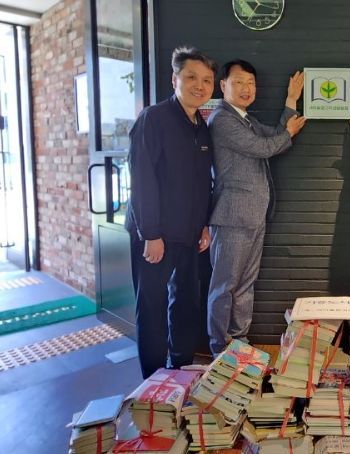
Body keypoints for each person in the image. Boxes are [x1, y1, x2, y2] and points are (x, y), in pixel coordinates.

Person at [125, 46, 217, 378]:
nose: (200, 85)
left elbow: (203, 182)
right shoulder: (154, 118)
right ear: (174, 79)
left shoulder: (201, 126)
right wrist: (151, 234)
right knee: (152, 308)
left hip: (189, 234)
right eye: (191, 77)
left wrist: (204, 225)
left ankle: (179, 367)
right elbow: (142, 179)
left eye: (207, 80)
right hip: (155, 236)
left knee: (186, 303)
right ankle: (151, 380)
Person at [206, 60, 306, 356]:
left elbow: (275, 135)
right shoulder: (222, 120)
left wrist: (291, 101)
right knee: (224, 287)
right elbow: (264, 148)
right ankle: (219, 348)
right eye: (238, 82)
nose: (246, 88)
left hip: (253, 215)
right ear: (223, 85)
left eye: (250, 82)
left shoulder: (245, 119)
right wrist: (288, 133)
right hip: (232, 216)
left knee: (245, 285)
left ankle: (239, 342)